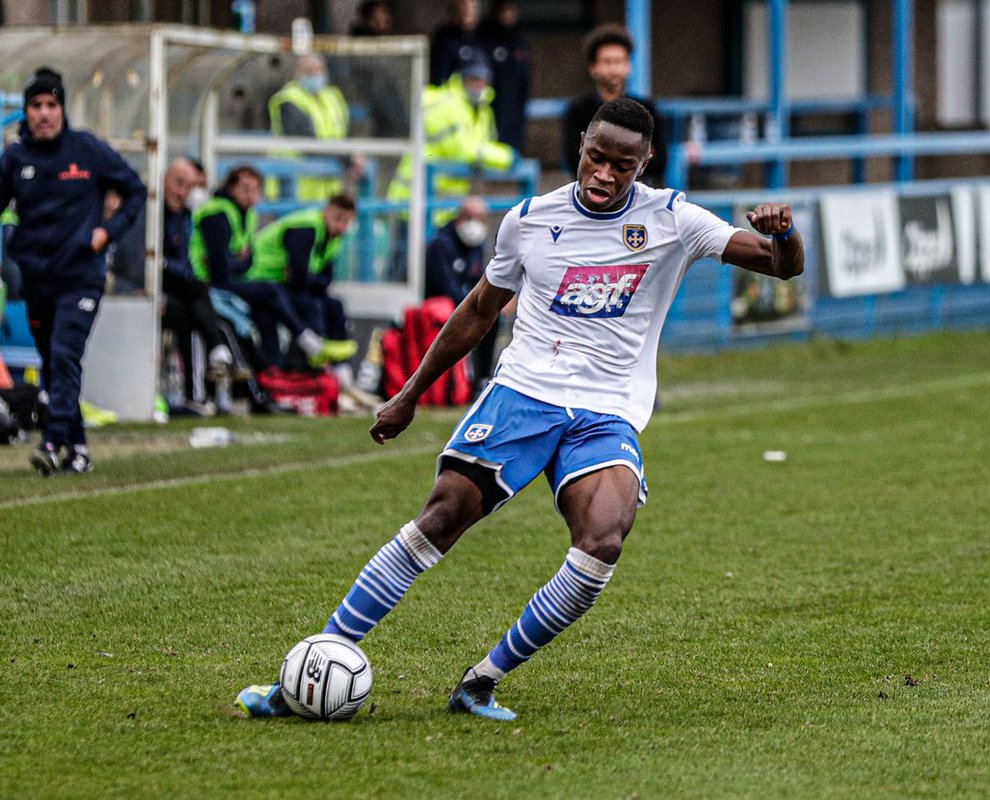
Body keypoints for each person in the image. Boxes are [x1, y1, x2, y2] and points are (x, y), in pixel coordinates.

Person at [236, 97, 803, 721]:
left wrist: (784, 234)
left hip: (606, 412)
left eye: (622, 165)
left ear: (645, 164)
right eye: (595, 157)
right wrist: (410, 393)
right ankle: (311, 672)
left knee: (604, 539)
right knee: (443, 514)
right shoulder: (530, 219)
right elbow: (480, 309)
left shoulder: (674, 218)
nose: (604, 174)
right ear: (581, 146)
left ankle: (482, 680)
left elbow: (780, 267)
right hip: (525, 393)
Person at [0, 68, 147, 476]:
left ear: (63, 110)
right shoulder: (15, 158)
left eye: (51, 105)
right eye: (36, 106)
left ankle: (50, 443)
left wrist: (108, 232)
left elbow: (135, 189)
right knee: (53, 361)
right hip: (37, 275)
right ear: (26, 112)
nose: (44, 114)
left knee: (65, 354)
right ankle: (77, 449)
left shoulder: (87, 150)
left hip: (81, 274)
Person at [189, 166, 354, 368]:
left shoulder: (246, 215)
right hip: (210, 284)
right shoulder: (218, 213)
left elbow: (323, 279)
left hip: (241, 279)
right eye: (245, 188)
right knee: (290, 298)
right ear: (231, 187)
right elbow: (221, 268)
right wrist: (240, 260)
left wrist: (239, 260)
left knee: (322, 305)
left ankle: (292, 371)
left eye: (256, 190)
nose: (251, 195)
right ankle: (306, 347)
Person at [387, 57, 515, 229]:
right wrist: (506, 157)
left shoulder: (482, 110)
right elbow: (463, 150)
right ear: (462, 78)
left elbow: (484, 144)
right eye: (474, 79)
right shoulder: (445, 104)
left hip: (445, 207)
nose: (479, 85)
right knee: (407, 253)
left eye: (483, 80)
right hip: (414, 200)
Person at [245, 194, 358, 379]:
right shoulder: (305, 227)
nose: (341, 226)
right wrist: (311, 279)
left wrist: (310, 279)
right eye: (338, 219)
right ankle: (308, 368)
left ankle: (341, 368)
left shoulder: (334, 238)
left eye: (347, 222)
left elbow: (324, 281)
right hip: (259, 281)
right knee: (310, 305)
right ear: (326, 211)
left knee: (335, 305)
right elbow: (298, 278)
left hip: (284, 286)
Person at [157, 157, 234, 413]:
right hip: (151, 289)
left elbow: (182, 260)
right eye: (178, 184)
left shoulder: (185, 216)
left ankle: (196, 395)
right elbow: (150, 261)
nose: (182, 193)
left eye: (188, 188)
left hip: (177, 293)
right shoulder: (152, 212)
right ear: (164, 179)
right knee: (196, 292)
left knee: (187, 313)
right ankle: (217, 349)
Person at [562, 24, 668, 185]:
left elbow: (659, 162)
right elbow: (574, 161)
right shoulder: (578, 110)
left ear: (629, 66)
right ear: (593, 67)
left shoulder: (647, 108)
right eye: (607, 61)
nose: (614, 69)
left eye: (620, 61)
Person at [424, 196, 495, 393]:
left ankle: (482, 378)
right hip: (442, 309)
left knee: (494, 316)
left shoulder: (476, 247)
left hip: (466, 305)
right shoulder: (441, 245)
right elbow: (445, 286)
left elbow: (479, 281)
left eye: (480, 219)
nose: (474, 225)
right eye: (469, 217)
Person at [268, 54, 361, 200]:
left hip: (328, 190)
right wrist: (349, 158)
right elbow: (306, 144)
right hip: (294, 189)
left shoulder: (333, 97)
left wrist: (354, 156)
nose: (315, 75)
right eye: (309, 70)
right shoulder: (289, 100)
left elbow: (345, 134)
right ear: (297, 73)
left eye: (319, 70)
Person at [346, 0, 410, 139]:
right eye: (376, 19)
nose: (382, 23)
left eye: (385, 19)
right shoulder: (358, 47)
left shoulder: (389, 45)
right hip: (367, 102)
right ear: (365, 20)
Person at [478, 0, 531, 152]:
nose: (509, 15)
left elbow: (524, 80)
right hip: (493, 106)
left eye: (512, 11)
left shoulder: (519, 41)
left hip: (515, 108)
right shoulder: (487, 40)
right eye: (505, 11)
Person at [430, 0, 485, 87]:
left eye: (472, 7)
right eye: (464, 6)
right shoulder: (446, 38)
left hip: (479, 98)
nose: (468, 10)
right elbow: (438, 76)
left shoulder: (483, 37)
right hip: (450, 95)